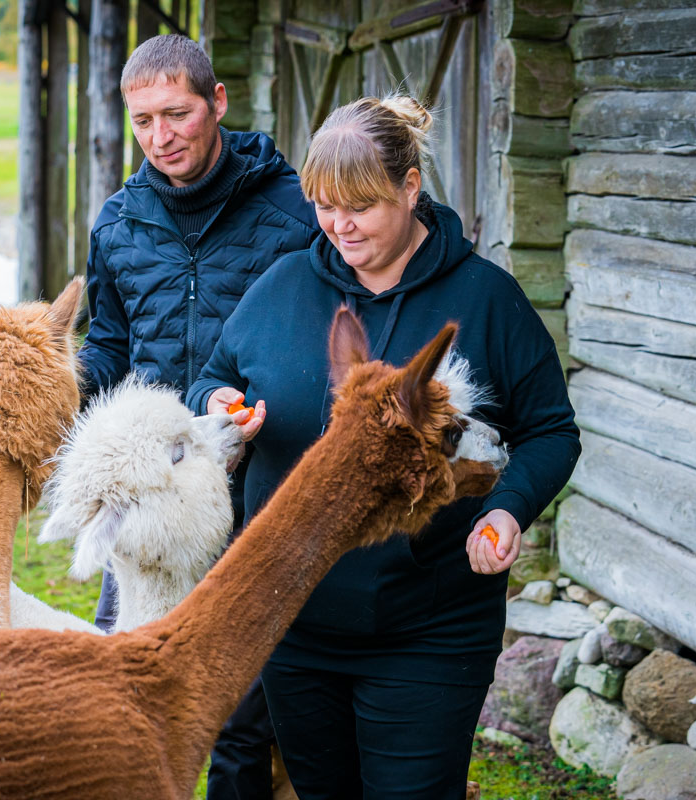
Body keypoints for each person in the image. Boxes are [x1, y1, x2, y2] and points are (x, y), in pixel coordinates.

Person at [186, 95, 581, 799]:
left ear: (409, 188)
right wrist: (217, 403)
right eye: (324, 205)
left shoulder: (487, 299)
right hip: (294, 624)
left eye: (360, 206)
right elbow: (214, 375)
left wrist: (508, 509)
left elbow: (551, 430)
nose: (339, 225)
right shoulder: (282, 286)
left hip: (429, 630)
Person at [76, 33, 318, 800]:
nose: (161, 137)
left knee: (240, 712)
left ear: (217, 102)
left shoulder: (294, 213)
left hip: (257, 486)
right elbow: (109, 346)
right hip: (154, 493)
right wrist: (59, 387)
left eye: (176, 114)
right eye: (143, 121)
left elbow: (324, 339)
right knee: (127, 682)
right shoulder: (118, 223)